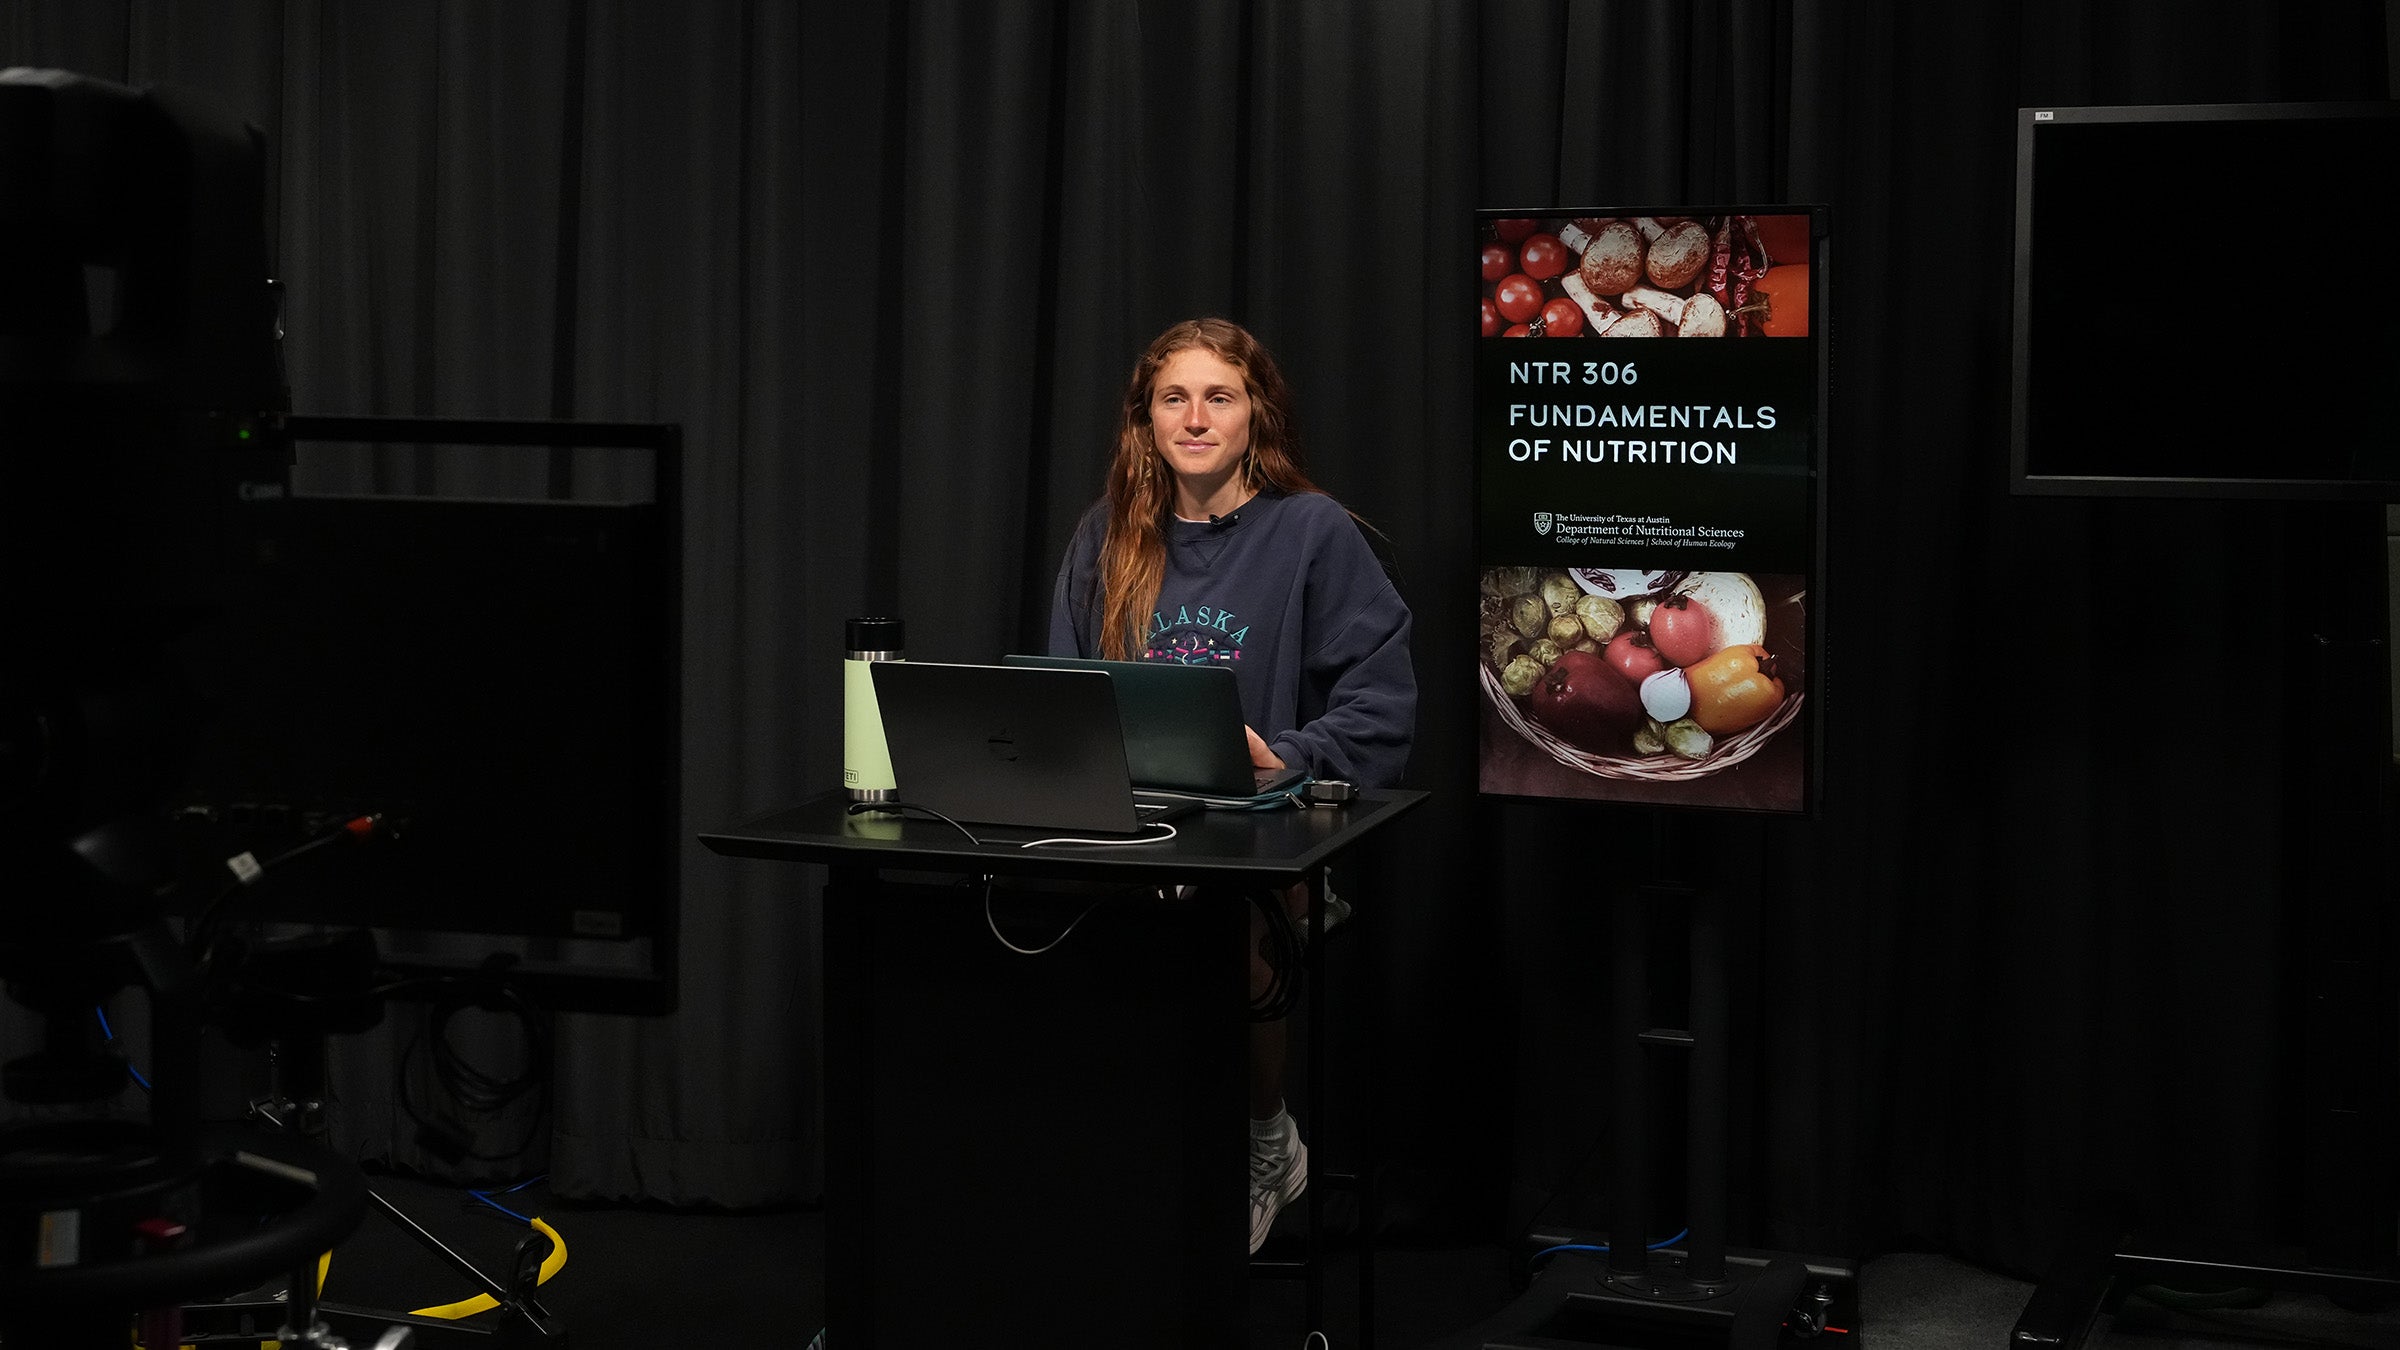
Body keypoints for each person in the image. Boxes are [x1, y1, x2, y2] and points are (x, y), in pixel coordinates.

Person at [1046, 317, 1416, 1254]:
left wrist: (1285, 756)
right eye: (1176, 397)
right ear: (1147, 418)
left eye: (1221, 396)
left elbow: (1383, 700)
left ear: (1258, 414)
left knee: (1228, 923)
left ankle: (1264, 1140)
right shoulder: (1106, 537)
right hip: (1132, 827)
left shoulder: (1311, 532)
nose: (1197, 417)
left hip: (1266, 833)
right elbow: (1060, 697)